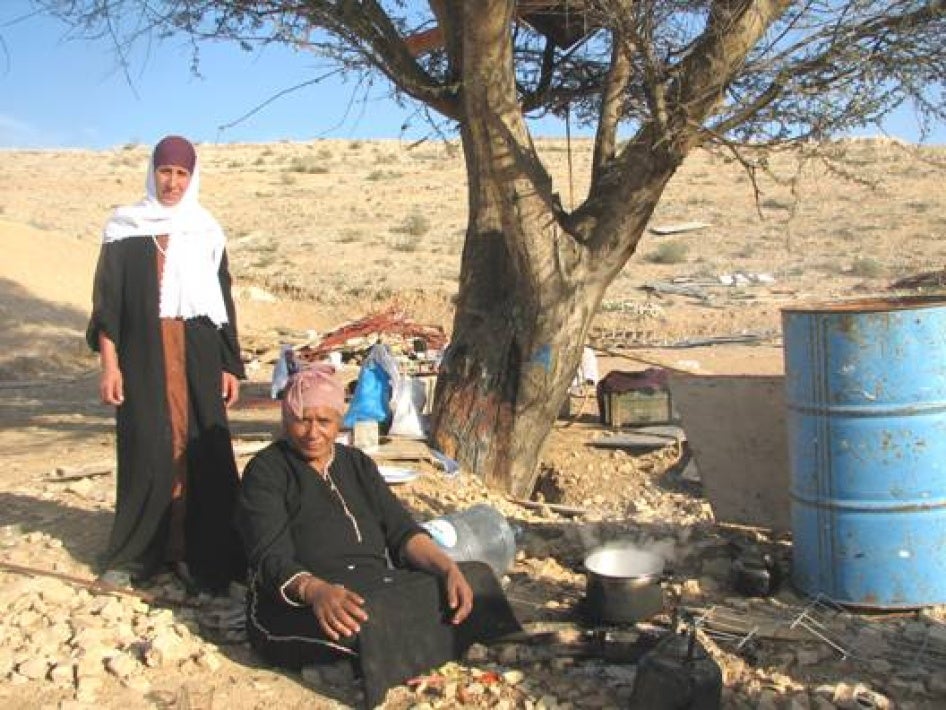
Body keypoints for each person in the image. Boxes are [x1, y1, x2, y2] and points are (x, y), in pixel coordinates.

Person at [237, 365, 520, 708]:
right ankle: (425, 647)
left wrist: (447, 568)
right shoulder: (267, 471)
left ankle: (425, 641)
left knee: (475, 578)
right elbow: (270, 557)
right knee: (371, 619)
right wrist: (318, 591)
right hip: (299, 603)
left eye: (324, 421)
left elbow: (402, 531)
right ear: (286, 419)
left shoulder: (356, 464)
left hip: (374, 583)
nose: (313, 432)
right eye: (302, 420)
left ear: (339, 420)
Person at [87, 135, 246, 594]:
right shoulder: (124, 228)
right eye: (165, 172)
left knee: (203, 447)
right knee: (146, 448)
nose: (172, 183)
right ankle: (136, 556)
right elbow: (108, 306)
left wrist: (228, 364)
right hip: (143, 359)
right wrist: (110, 366)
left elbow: (222, 301)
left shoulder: (205, 230)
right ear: (151, 172)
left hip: (198, 358)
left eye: (181, 174)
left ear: (192, 177)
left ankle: (206, 554)